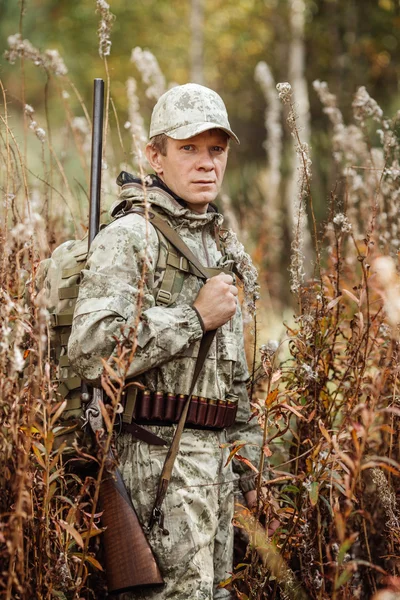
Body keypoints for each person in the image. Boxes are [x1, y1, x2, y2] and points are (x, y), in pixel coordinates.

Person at [68, 83, 261, 600]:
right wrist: (193, 318)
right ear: (156, 156)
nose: (206, 164)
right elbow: (90, 347)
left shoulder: (221, 242)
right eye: (188, 148)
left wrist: (248, 460)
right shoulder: (133, 235)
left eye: (215, 149)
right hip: (157, 465)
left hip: (217, 470)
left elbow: (234, 374)